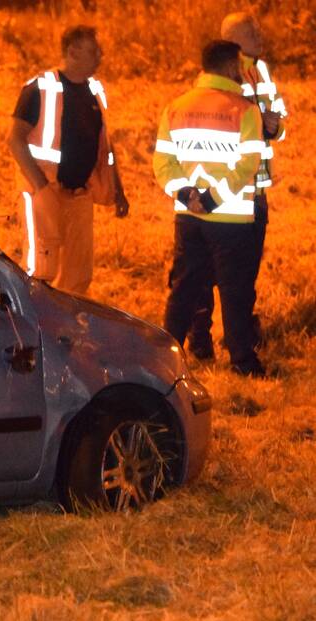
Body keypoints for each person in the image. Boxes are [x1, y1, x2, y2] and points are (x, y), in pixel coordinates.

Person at [154, 40, 266, 377]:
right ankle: (243, 362)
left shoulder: (176, 107)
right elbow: (247, 165)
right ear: (230, 66)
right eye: (239, 65)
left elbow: (163, 162)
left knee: (184, 288)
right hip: (231, 217)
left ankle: (164, 357)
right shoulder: (245, 110)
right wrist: (213, 199)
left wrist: (187, 194)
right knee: (235, 290)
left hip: (189, 216)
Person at [185, 12, 287, 360]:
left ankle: (240, 334)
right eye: (252, 31)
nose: (260, 35)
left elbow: (278, 121)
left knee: (245, 273)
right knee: (205, 272)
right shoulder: (216, 75)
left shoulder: (262, 71)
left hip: (255, 190)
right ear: (233, 39)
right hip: (218, 193)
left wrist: (274, 126)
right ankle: (201, 336)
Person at [8, 25, 129, 296]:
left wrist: (118, 190)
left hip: (80, 195)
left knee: (78, 275)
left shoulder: (95, 90)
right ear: (73, 52)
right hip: (44, 191)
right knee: (41, 269)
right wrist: (41, 187)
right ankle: (31, 320)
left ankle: (66, 322)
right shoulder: (40, 88)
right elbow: (15, 140)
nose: (100, 56)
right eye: (94, 50)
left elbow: (105, 146)